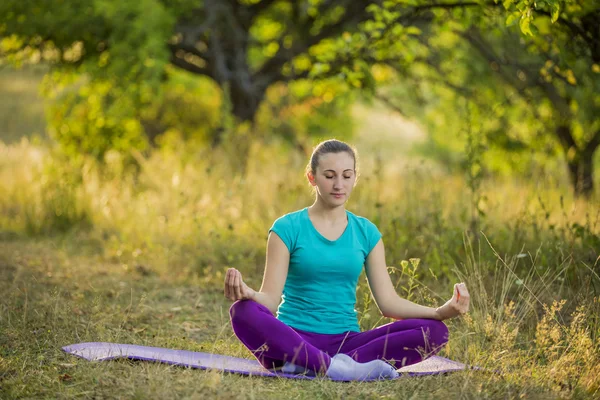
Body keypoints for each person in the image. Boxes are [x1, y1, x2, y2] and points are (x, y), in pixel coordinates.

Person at [224, 139, 470, 381]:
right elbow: (269, 300)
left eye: (346, 175)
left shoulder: (366, 232)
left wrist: (439, 312)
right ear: (312, 177)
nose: (338, 184)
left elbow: (389, 303)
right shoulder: (287, 227)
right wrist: (248, 294)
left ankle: (318, 365)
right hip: (292, 339)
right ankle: (334, 369)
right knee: (242, 311)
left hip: (348, 344)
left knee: (436, 332)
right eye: (329, 176)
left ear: (355, 177)